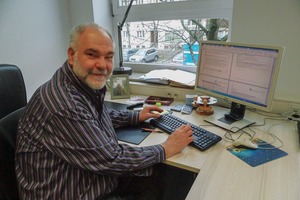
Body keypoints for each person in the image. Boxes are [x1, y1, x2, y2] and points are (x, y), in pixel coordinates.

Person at [15, 22, 194, 200]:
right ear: (72, 55)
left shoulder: (78, 85)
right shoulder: (64, 104)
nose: (102, 65)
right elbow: (112, 159)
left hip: (91, 176)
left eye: (108, 57)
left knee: (168, 174)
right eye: (92, 55)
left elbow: (92, 117)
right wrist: (166, 148)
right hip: (70, 191)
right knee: (170, 174)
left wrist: (135, 116)